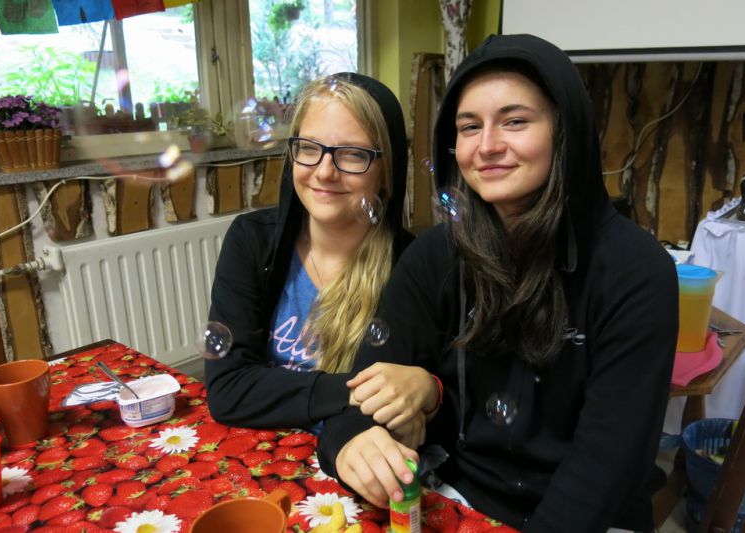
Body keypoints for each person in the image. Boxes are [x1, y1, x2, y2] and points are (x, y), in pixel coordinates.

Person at [317, 35, 678, 532]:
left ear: (565, 130)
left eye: (515, 121)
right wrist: (351, 441)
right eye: (469, 126)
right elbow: (357, 395)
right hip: (458, 497)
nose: (487, 145)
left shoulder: (636, 270)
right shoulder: (434, 256)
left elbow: (608, 467)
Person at [205, 73, 438, 440]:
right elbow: (227, 389)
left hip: (350, 457)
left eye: (353, 154)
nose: (325, 172)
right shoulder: (252, 240)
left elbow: (400, 413)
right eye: (309, 148)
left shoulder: (413, 266)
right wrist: (349, 393)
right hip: (262, 450)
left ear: (386, 172)